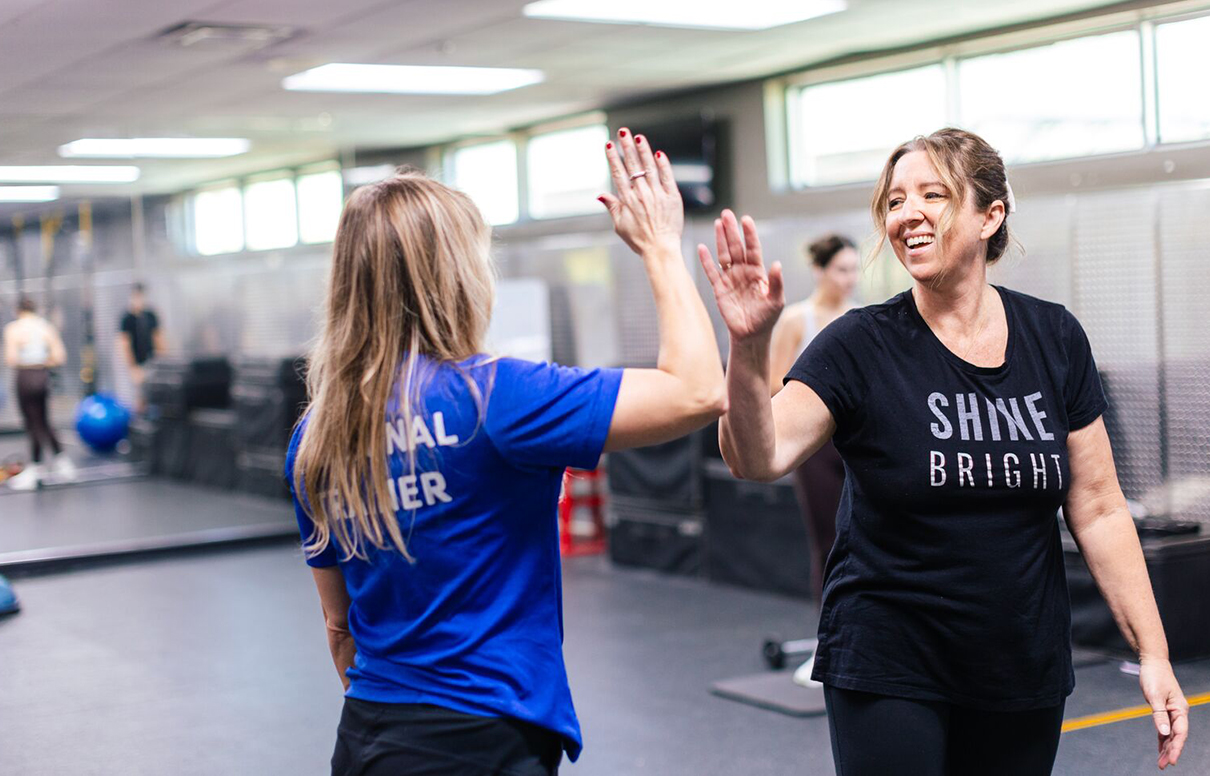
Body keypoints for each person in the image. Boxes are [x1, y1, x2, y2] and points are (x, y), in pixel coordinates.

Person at [700, 128, 1189, 774]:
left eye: (933, 194)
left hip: (1020, 662)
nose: (907, 214)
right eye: (895, 201)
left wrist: (1153, 652)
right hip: (890, 661)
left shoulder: (1055, 338)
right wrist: (749, 348)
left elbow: (1098, 509)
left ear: (992, 215)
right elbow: (757, 456)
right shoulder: (859, 346)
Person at [288, 127, 725, 775]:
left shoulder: (317, 434)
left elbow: (338, 626)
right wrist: (661, 248)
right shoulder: (498, 397)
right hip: (481, 739)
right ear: (455, 274)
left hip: (368, 737)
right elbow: (695, 391)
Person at [767, 234, 859, 687]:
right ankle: (828, 644)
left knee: (867, 539)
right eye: (842, 269)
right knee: (829, 541)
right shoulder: (796, 319)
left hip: (858, 442)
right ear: (821, 270)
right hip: (815, 446)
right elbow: (773, 386)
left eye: (854, 270)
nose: (850, 279)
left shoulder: (861, 320)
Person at [3, 297, 74, 489]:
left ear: (18, 310)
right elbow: (59, 356)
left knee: (32, 422)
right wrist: (41, 360)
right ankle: (62, 463)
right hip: (42, 376)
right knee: (44, 420)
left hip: (26, 377)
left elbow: (10, 359)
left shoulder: (14, 328)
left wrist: (26, 358)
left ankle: (36, 469)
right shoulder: (45, 327)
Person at [118, 282, 164, 412]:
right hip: (138, 364)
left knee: (156, 395)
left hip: (153, 362)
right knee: (140, 396)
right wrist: (133, 368)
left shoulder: (150, 315)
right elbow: (124, 344)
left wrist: (162, 362)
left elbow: (158, 338)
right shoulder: (127, 319)